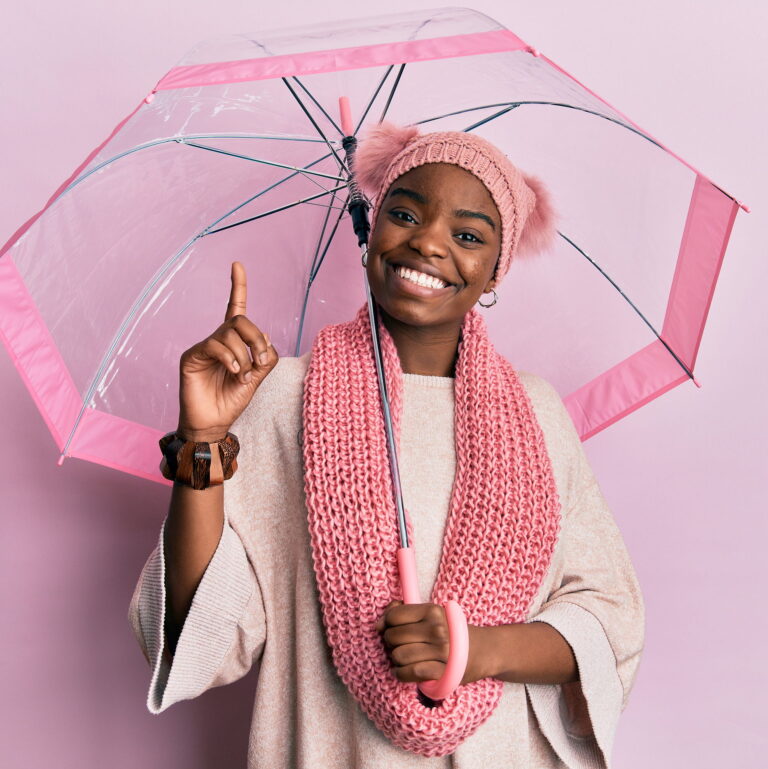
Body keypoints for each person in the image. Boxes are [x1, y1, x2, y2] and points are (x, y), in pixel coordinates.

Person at [128, 123, 644, 768]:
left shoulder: (537, 411)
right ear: (371, 232)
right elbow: (202, 628)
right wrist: (202, 442)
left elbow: (609, 620)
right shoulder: (285, 394)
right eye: (404, 213)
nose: (428, 242)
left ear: (493, 272)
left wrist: (476, 647)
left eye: (467, 235)